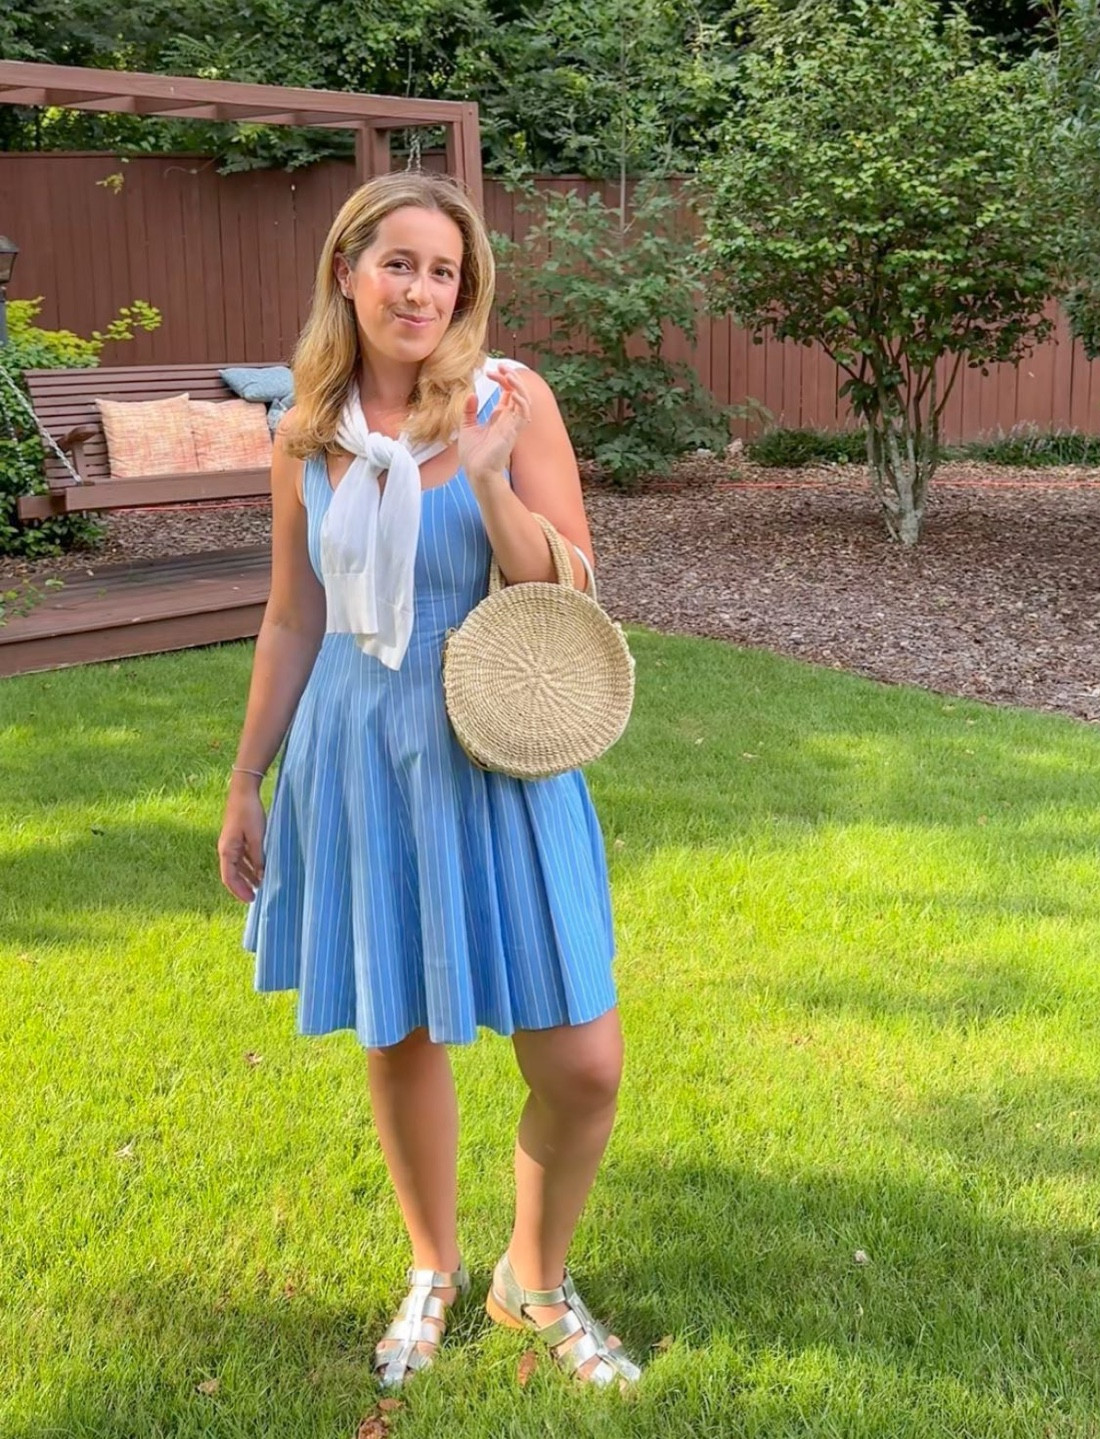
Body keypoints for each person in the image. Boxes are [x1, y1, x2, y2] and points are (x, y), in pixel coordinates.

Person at [216, 172, 641, 1392]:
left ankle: (534, 1278)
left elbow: (571, 587)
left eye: (444, 269)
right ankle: (435, 1265)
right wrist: (248, 779)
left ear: (468, 287)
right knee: (400, 1020)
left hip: (496, 747)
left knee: (583, 1059)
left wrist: (494, 477)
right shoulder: (307, 428)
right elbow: (293, 619)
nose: (421, 289)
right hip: (358, 752)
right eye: (398, 262)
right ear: (347, 273)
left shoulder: (510, 398)